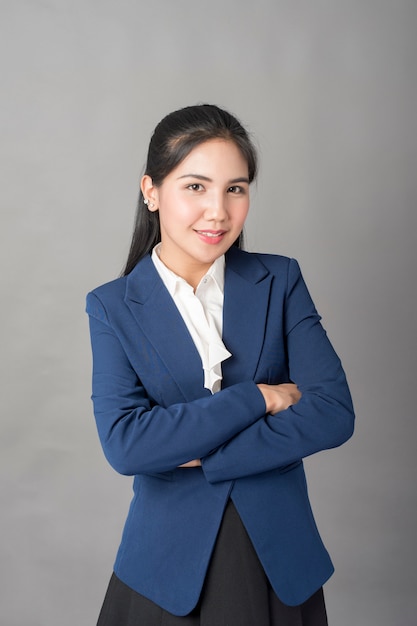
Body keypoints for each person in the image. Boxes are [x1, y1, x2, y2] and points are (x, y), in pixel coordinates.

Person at [86, 104, 354, 626]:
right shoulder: (112, 305)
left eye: (236, 188)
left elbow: (333, 413)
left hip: (280, 561)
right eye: (195, 187)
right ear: (151, 191)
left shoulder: (280, 280)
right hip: (164, 571)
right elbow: (127, 445)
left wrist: (200, 454)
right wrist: (259, 397)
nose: (218, 211)